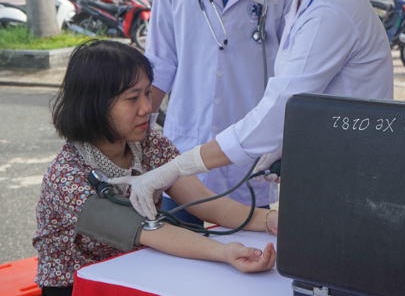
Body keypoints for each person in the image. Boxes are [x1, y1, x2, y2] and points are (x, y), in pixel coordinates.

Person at [111, 0, 394, 219]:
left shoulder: (329, 12)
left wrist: (176, 167)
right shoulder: (305, 0)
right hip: (326, 168)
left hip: (347, 179)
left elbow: (278, 113)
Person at [33, 40, 278, 296]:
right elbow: (147, 230)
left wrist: (270, 220)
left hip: (137, 269)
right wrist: (224, 252)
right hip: (78, 285)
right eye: (132, 98)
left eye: (148, 93)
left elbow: (205, 202)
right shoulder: (67, 175)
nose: (148, 108)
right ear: (94, 105)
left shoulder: (151, 145)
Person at [146, 0, 288, 225]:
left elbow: (292, 75)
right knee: (180, 257)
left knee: (244, 249)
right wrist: (138, 135)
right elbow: (161, 62)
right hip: (186, 144)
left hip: (249, 151)